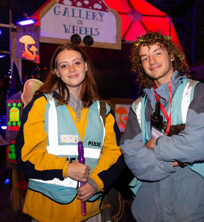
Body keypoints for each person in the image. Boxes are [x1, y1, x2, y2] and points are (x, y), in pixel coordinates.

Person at [120, 31, 204, 222]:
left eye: (157, 53)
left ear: (171, 55)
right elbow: (133, 158)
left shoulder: (199, 92)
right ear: (141, 65)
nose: (151, 60)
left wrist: (156, 145)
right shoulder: (138, 106)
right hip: (148, 214)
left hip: (196, 212)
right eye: (145, 57)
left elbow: (199, 145)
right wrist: (175, 160)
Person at [15, 43, 124, 222]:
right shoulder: (41, 106)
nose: (71, 69)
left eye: (77, 63)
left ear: (86, 66)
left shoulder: (103, 111)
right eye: (64, 65)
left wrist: (96, 183)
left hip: (91, 210)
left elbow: (114, 154)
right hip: (48, 211)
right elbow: (27, 156)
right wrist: (66, 168)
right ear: (57, 72)